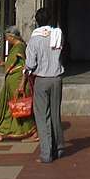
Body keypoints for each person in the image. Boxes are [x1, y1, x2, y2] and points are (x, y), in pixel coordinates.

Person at [23, 8, 65, 163]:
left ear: (37, 21)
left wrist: (26, 72)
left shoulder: (34, 40)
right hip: (57, 78)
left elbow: (30, 63)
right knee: (55, 114)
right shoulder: (57, 34)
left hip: (42, 79)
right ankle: (59, 147)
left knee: (42, 117)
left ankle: (46, 154)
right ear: (49, 20)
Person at [0, 27, 36, 141]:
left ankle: (4, 132)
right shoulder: (17, 48)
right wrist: (3, 63)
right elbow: (14, 64)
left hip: (17, 81)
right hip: (12, 81)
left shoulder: (20, 48)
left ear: (12, 37)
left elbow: (25, 66)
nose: (7, 40)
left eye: (8, 37)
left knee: (15, 107)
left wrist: (22, 83)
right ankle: (3, 131)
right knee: (10, 106)